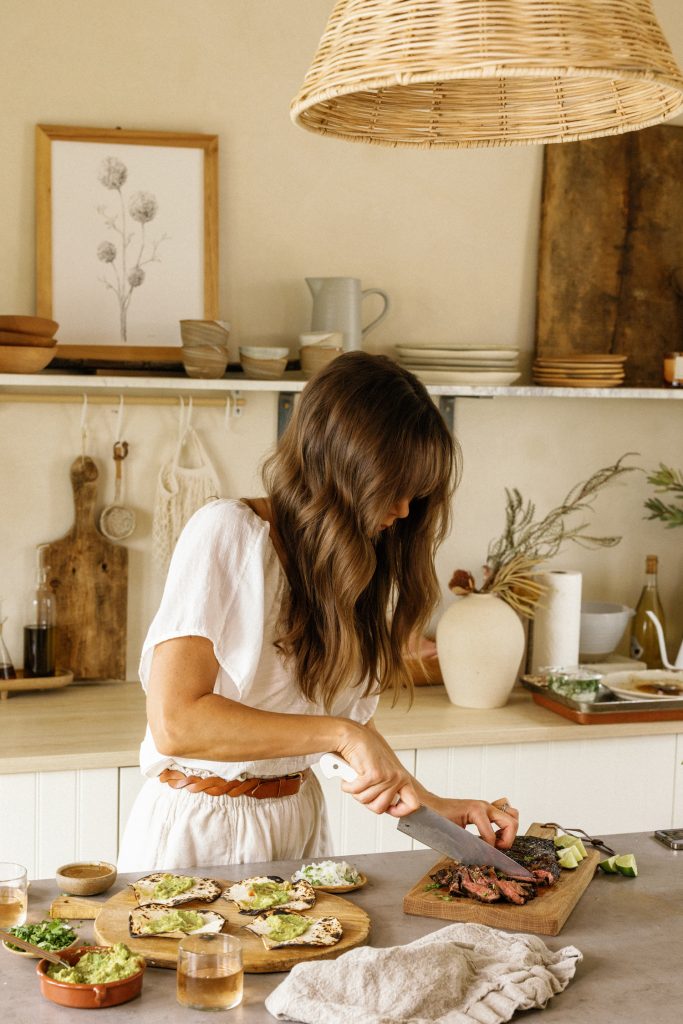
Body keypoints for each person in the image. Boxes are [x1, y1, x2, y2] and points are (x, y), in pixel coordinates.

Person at [118, 352, 519, 871]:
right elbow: (177, 722)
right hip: (200, 833)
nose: (402, 512)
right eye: (393, 489)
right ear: (339, 466)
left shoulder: (349, 566)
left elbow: (350, 728)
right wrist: (341, 735)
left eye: (414, 495)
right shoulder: (227, 533)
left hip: (298, 823)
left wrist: (441, 808)